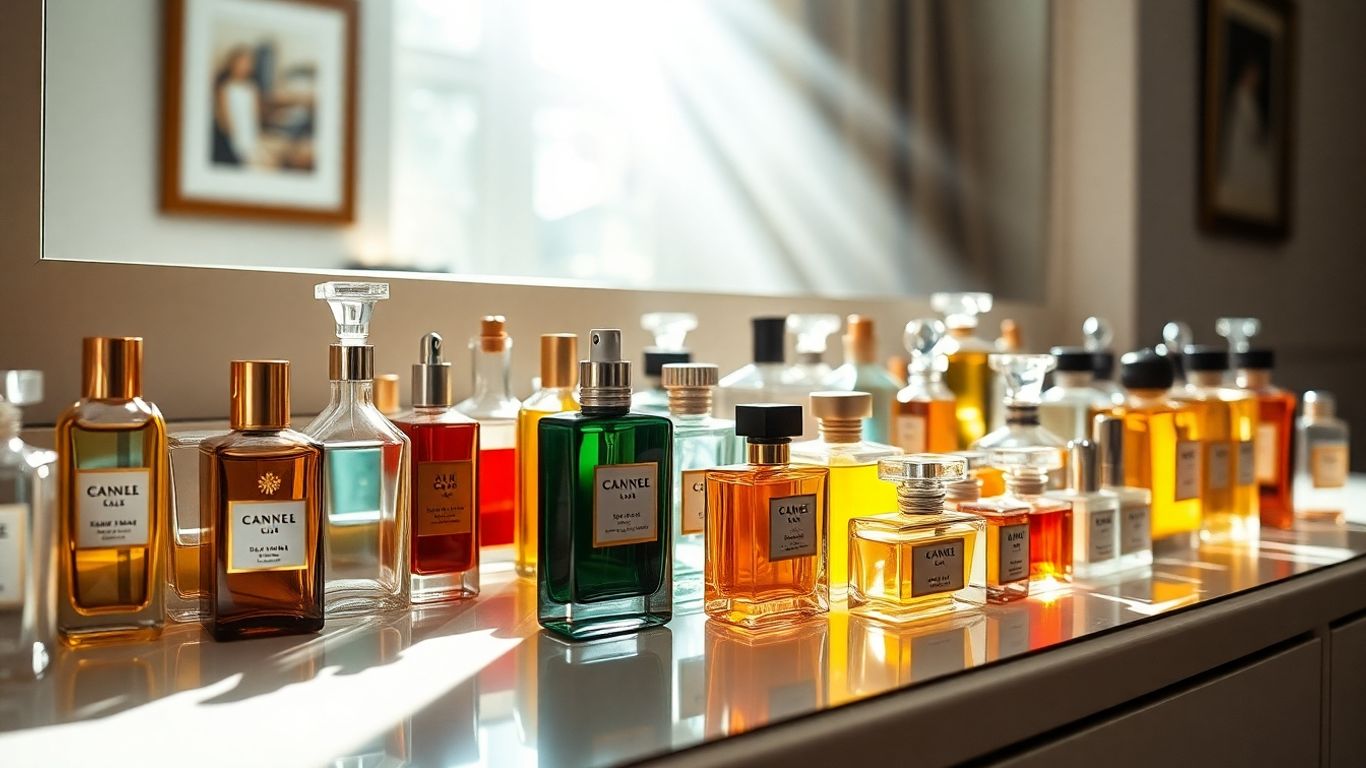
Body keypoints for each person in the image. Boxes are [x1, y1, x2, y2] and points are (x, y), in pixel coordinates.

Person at [212, 45, 262, 167]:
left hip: (249, 134)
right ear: (232, 64)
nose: (244, 67)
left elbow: (255, 116)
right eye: (241, 63)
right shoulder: (225, 88)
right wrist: (233, 138)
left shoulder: (252, 88)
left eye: (248, 63)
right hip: (232, 137)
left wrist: (255, 137)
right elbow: (224, 119)